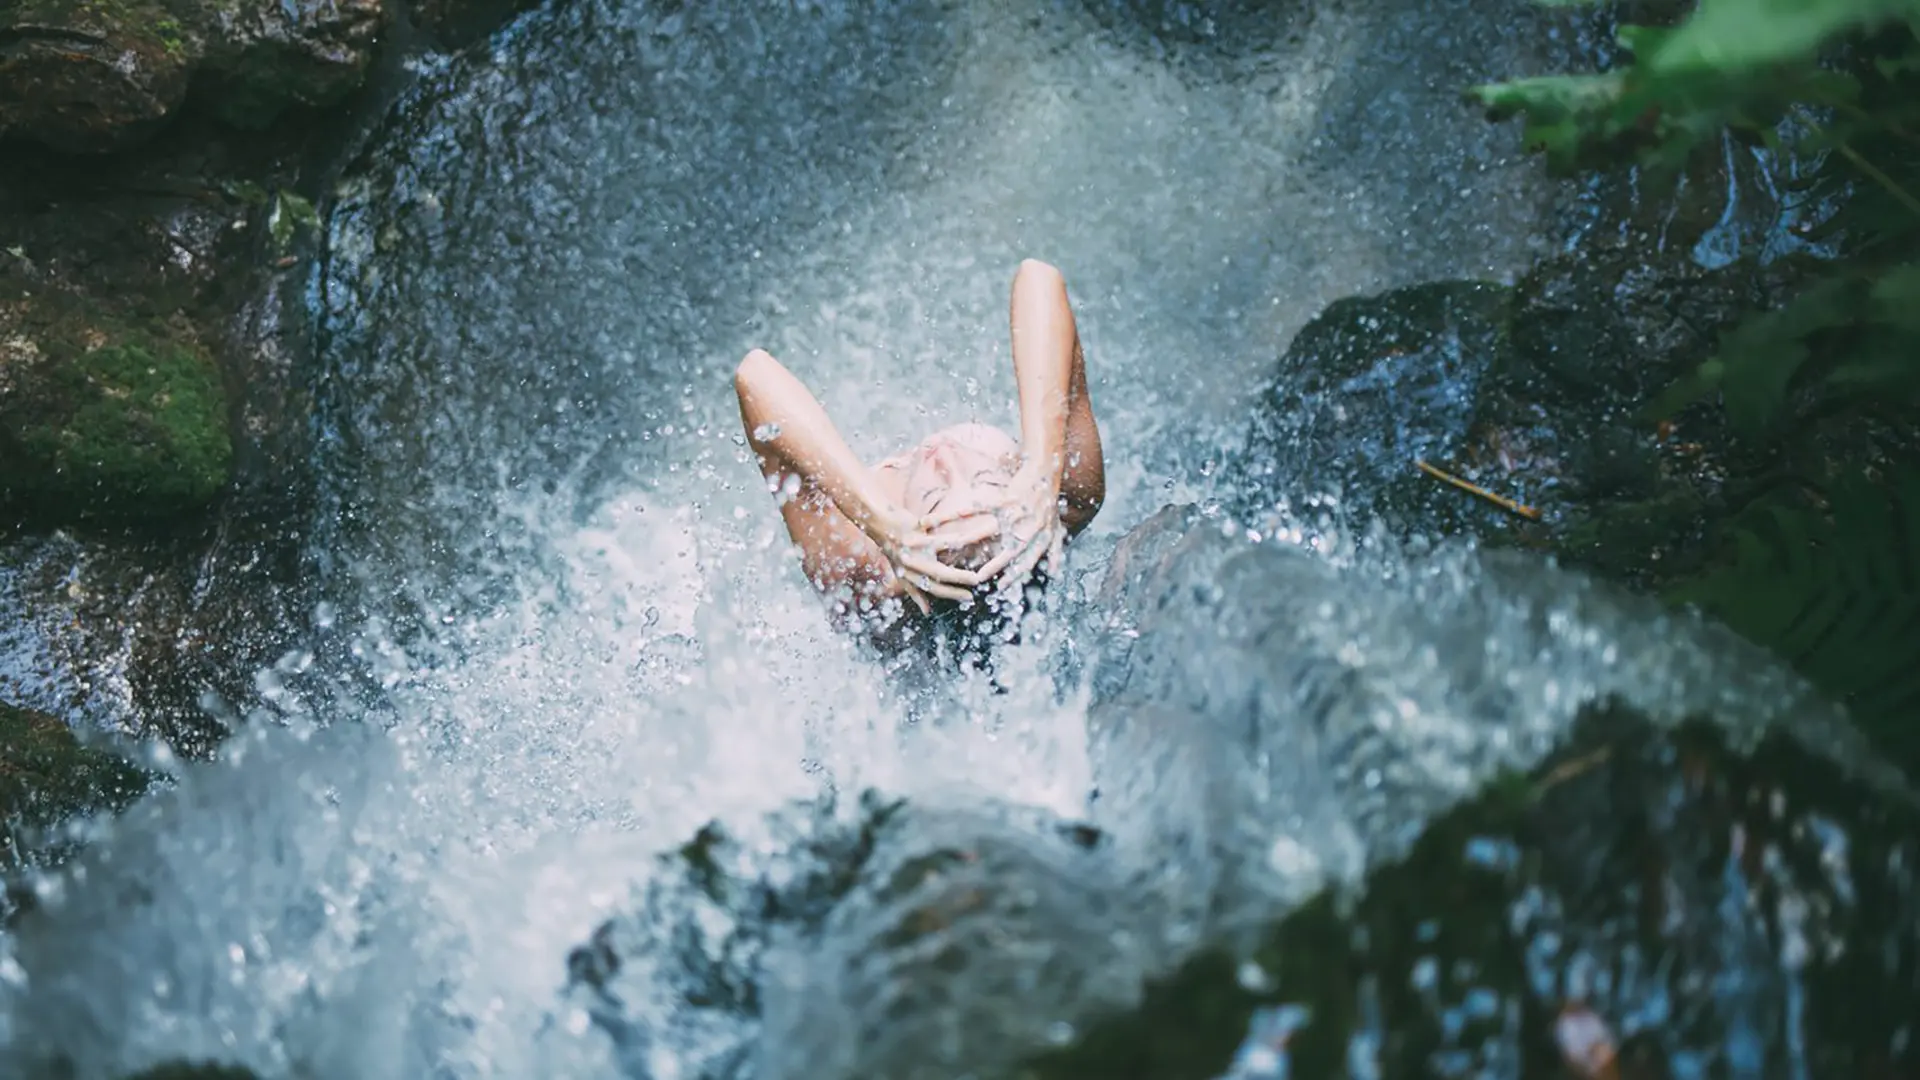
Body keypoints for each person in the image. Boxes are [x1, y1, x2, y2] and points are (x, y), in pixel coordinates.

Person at [733, 258, 1104, 648]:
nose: (944, 457)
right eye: (985, 477)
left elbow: (754, 375)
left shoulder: (866, 581)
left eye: (934, 494)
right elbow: (1038, 276)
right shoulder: (1064, 501)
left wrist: (880, 523)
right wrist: (1042, 468)